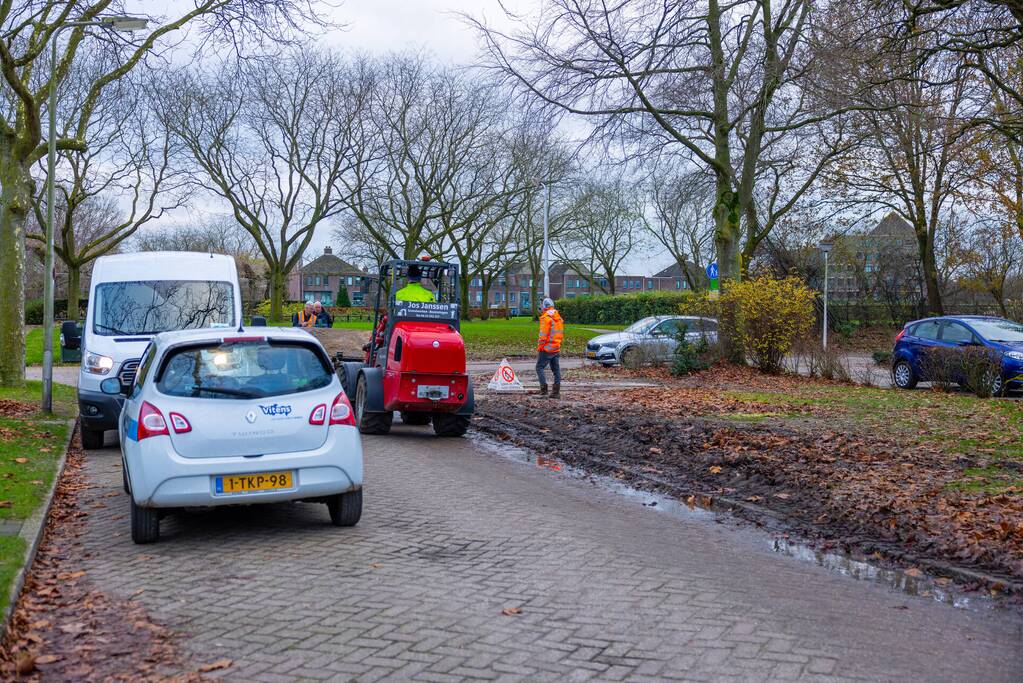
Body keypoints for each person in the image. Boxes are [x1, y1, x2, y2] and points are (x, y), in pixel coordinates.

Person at [536, 297, 564, 398]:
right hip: (556, 347)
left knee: (539, 367)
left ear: (544, 307)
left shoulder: (546, 318)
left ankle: (544, 391)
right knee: (556, 369)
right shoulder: (558, 317)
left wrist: (540, 347)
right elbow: (560, 333)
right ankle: (556, 392)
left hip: (547, 348)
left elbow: (543, 336)